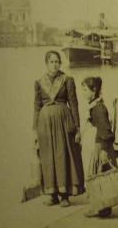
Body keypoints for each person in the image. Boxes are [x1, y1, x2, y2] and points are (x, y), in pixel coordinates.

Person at [33, 51, 84, 207]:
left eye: (57, 62)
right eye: (52, 62)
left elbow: (73, 104)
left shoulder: (67, 80)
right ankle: (52, 194)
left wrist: (77, 127)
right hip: (45, 127)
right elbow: (36, 106)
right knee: (48, 158)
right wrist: (35, 130)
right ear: (46, 63)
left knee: (63, 156)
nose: (55, 65)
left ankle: (64, 196)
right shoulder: (39, 82)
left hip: (63, 124)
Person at [81, 77, 117, 218]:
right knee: (101, 176)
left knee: (96, 176)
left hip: (100, 145)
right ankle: (104, 208)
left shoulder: (98, 108)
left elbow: (105, 130)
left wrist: (103, 150)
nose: (83, 93)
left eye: (85, 90)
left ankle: (98, 207)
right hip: (98, 143)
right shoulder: (95, 106)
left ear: (94, 90)